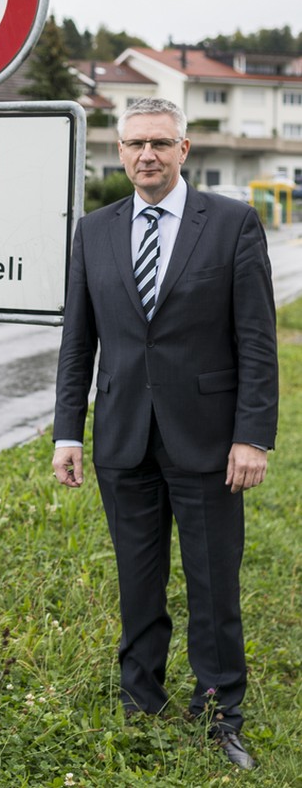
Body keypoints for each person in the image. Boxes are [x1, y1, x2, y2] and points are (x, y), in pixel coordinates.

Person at [52, 97, 278, 770]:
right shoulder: (93, 231)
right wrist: (69, 431)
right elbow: (77, 343)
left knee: (214, 581)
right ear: (119, 152)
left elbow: (257, 342)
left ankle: (220, 710)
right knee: (137, 577)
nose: (144, 154)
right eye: (132, 144)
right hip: (122, 437)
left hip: (209, 439)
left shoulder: (232, 224)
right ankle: (140, 703)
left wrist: (252, 436)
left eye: (158, 141)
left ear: (185, 149)